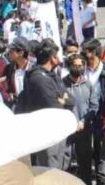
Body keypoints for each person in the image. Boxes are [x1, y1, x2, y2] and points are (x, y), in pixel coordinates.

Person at [16, 39, 69, 168]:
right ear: (52, 58)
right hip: (47, 130)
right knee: (50, 168)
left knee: (61, 165)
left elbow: (69, 99)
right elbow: (54, 104)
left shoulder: (52, 75)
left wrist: (62, 99)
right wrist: (61, 99)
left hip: (58, 129)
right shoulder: (38, 78)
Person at [63, 54, 100, 185]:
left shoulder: (88, 85)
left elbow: (94, 106)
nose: (78, 68)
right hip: (67, 130)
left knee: (85, 163)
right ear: (69, 66)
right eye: (75, 65)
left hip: (84, 129)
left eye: (80, 66)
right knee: (65, 164)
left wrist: (84, 121)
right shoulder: (62, 85)